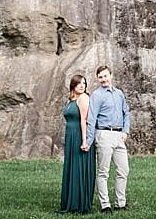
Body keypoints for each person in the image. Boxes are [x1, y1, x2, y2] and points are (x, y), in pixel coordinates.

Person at [85, 65, 130, 212]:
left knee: (123, 170)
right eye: (100, 77)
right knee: (103, 171)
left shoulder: (119, 94)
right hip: (103, 134)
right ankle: (105, 205)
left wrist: (125, 131)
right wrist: (89, 141)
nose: (103, 79)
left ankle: (120, 204)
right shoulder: (97, 95)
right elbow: (91, 119)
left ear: (111, 75)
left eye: (105, 76)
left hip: (119, 136)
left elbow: (126, 113)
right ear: (97, 79)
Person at [60, 74, 95, 214]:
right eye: (79, 83)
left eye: (84, 83)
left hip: (80, 136)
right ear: (73, 85)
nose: (82, 85)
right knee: (71, 167)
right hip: (70, 137)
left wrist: (85, 140)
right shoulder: (71, 100)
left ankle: (79, 203)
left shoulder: (84, 98)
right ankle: (70, 200)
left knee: (79, 167)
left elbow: (84, 120)